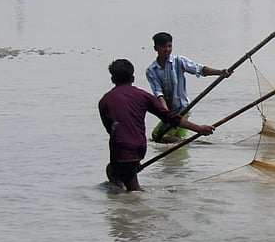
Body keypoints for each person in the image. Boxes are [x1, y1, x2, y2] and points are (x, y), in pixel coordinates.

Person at [99, 59, 215, 191]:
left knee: (135, 191)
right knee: (112, 171)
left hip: (121, 149)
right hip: (138, 147)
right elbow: (169, 117)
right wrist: (198, 128)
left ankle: (148, 200)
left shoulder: (105, 101)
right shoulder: (143, 96)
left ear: (112, 79)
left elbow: (110, 129)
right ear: (133, 78)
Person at [145, 32, 232, 142]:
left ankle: (190, 145)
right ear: (156, 48)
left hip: (183, 109)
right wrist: (165, 112)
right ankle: (193, 145)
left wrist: (220, 72)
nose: (167, 49)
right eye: (163, 47)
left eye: (169, 46)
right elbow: (158, 93)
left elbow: (200, 69)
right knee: (181, 140)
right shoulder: (151, 71)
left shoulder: (178, 61)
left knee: (157, 135)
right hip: (170, 112)